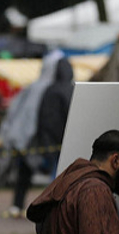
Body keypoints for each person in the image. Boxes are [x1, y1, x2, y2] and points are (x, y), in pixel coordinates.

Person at [0, 49, 64, 217]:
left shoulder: (41, 88)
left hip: (40, 139)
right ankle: (21, 205)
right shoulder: (39, 88)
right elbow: (24, 113)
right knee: (27, 173)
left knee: (45, 174)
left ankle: (30, 206)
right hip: (34, 140)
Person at [12, 56, 74, 215]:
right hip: (61, 141)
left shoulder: (48, 89)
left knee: (52, 176)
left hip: (47, 141)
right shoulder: (70, 89)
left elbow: (43, 118)